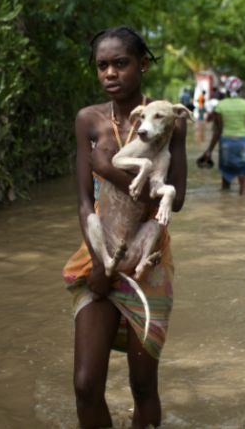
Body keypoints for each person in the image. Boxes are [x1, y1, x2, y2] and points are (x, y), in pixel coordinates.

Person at [62, 25, 188, 429]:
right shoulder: (89, 120)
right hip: (98, 254)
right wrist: (98, 265)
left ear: (143, 65)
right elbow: (84, 202)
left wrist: (108, 169)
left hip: (146, 260)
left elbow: (175, 199)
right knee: (85, 385)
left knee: (143, 385)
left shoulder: (168, 120)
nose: (110, 74)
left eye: (121, 63)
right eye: (102, 66)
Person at [201, 79, 245, 195]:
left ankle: (225, 206)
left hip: (226, 144)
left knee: (226, 175)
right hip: (243, 143)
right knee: (244, 177)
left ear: (227, 90)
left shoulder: (220, 106)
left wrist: (209, 150)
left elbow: (217, 131)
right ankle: (243, 207)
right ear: (239, 90)